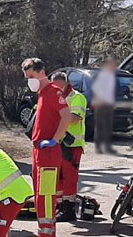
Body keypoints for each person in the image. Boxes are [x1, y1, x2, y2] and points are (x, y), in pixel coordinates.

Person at [21, 58, 71, 237]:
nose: (29, 81)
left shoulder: (53, 92)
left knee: (46, 198)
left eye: (31, 76)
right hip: (39, 152)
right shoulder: (42, 94)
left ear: (42, 72)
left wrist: (54, 140)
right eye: (27, 78)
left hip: (48, 153)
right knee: (41, 197)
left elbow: (66, 116)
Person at [51, 72, 87, 222]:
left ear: (66, 84)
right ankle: (60, 207)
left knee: (69, 178)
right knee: (58, 177)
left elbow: (74, 118)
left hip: (72, 145)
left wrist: (56, 115)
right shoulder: (55, 98)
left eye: (58, 86)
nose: (56, 89)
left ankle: (69, 209)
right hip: (59, 143)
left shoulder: (77, 97)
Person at [91, 58, 117, 154]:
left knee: (108, 127)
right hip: (101, 104)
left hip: (109, 104)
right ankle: (98, 147)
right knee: (100, 126)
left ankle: (107, 147)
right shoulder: (101, 76)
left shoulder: (111, 77)